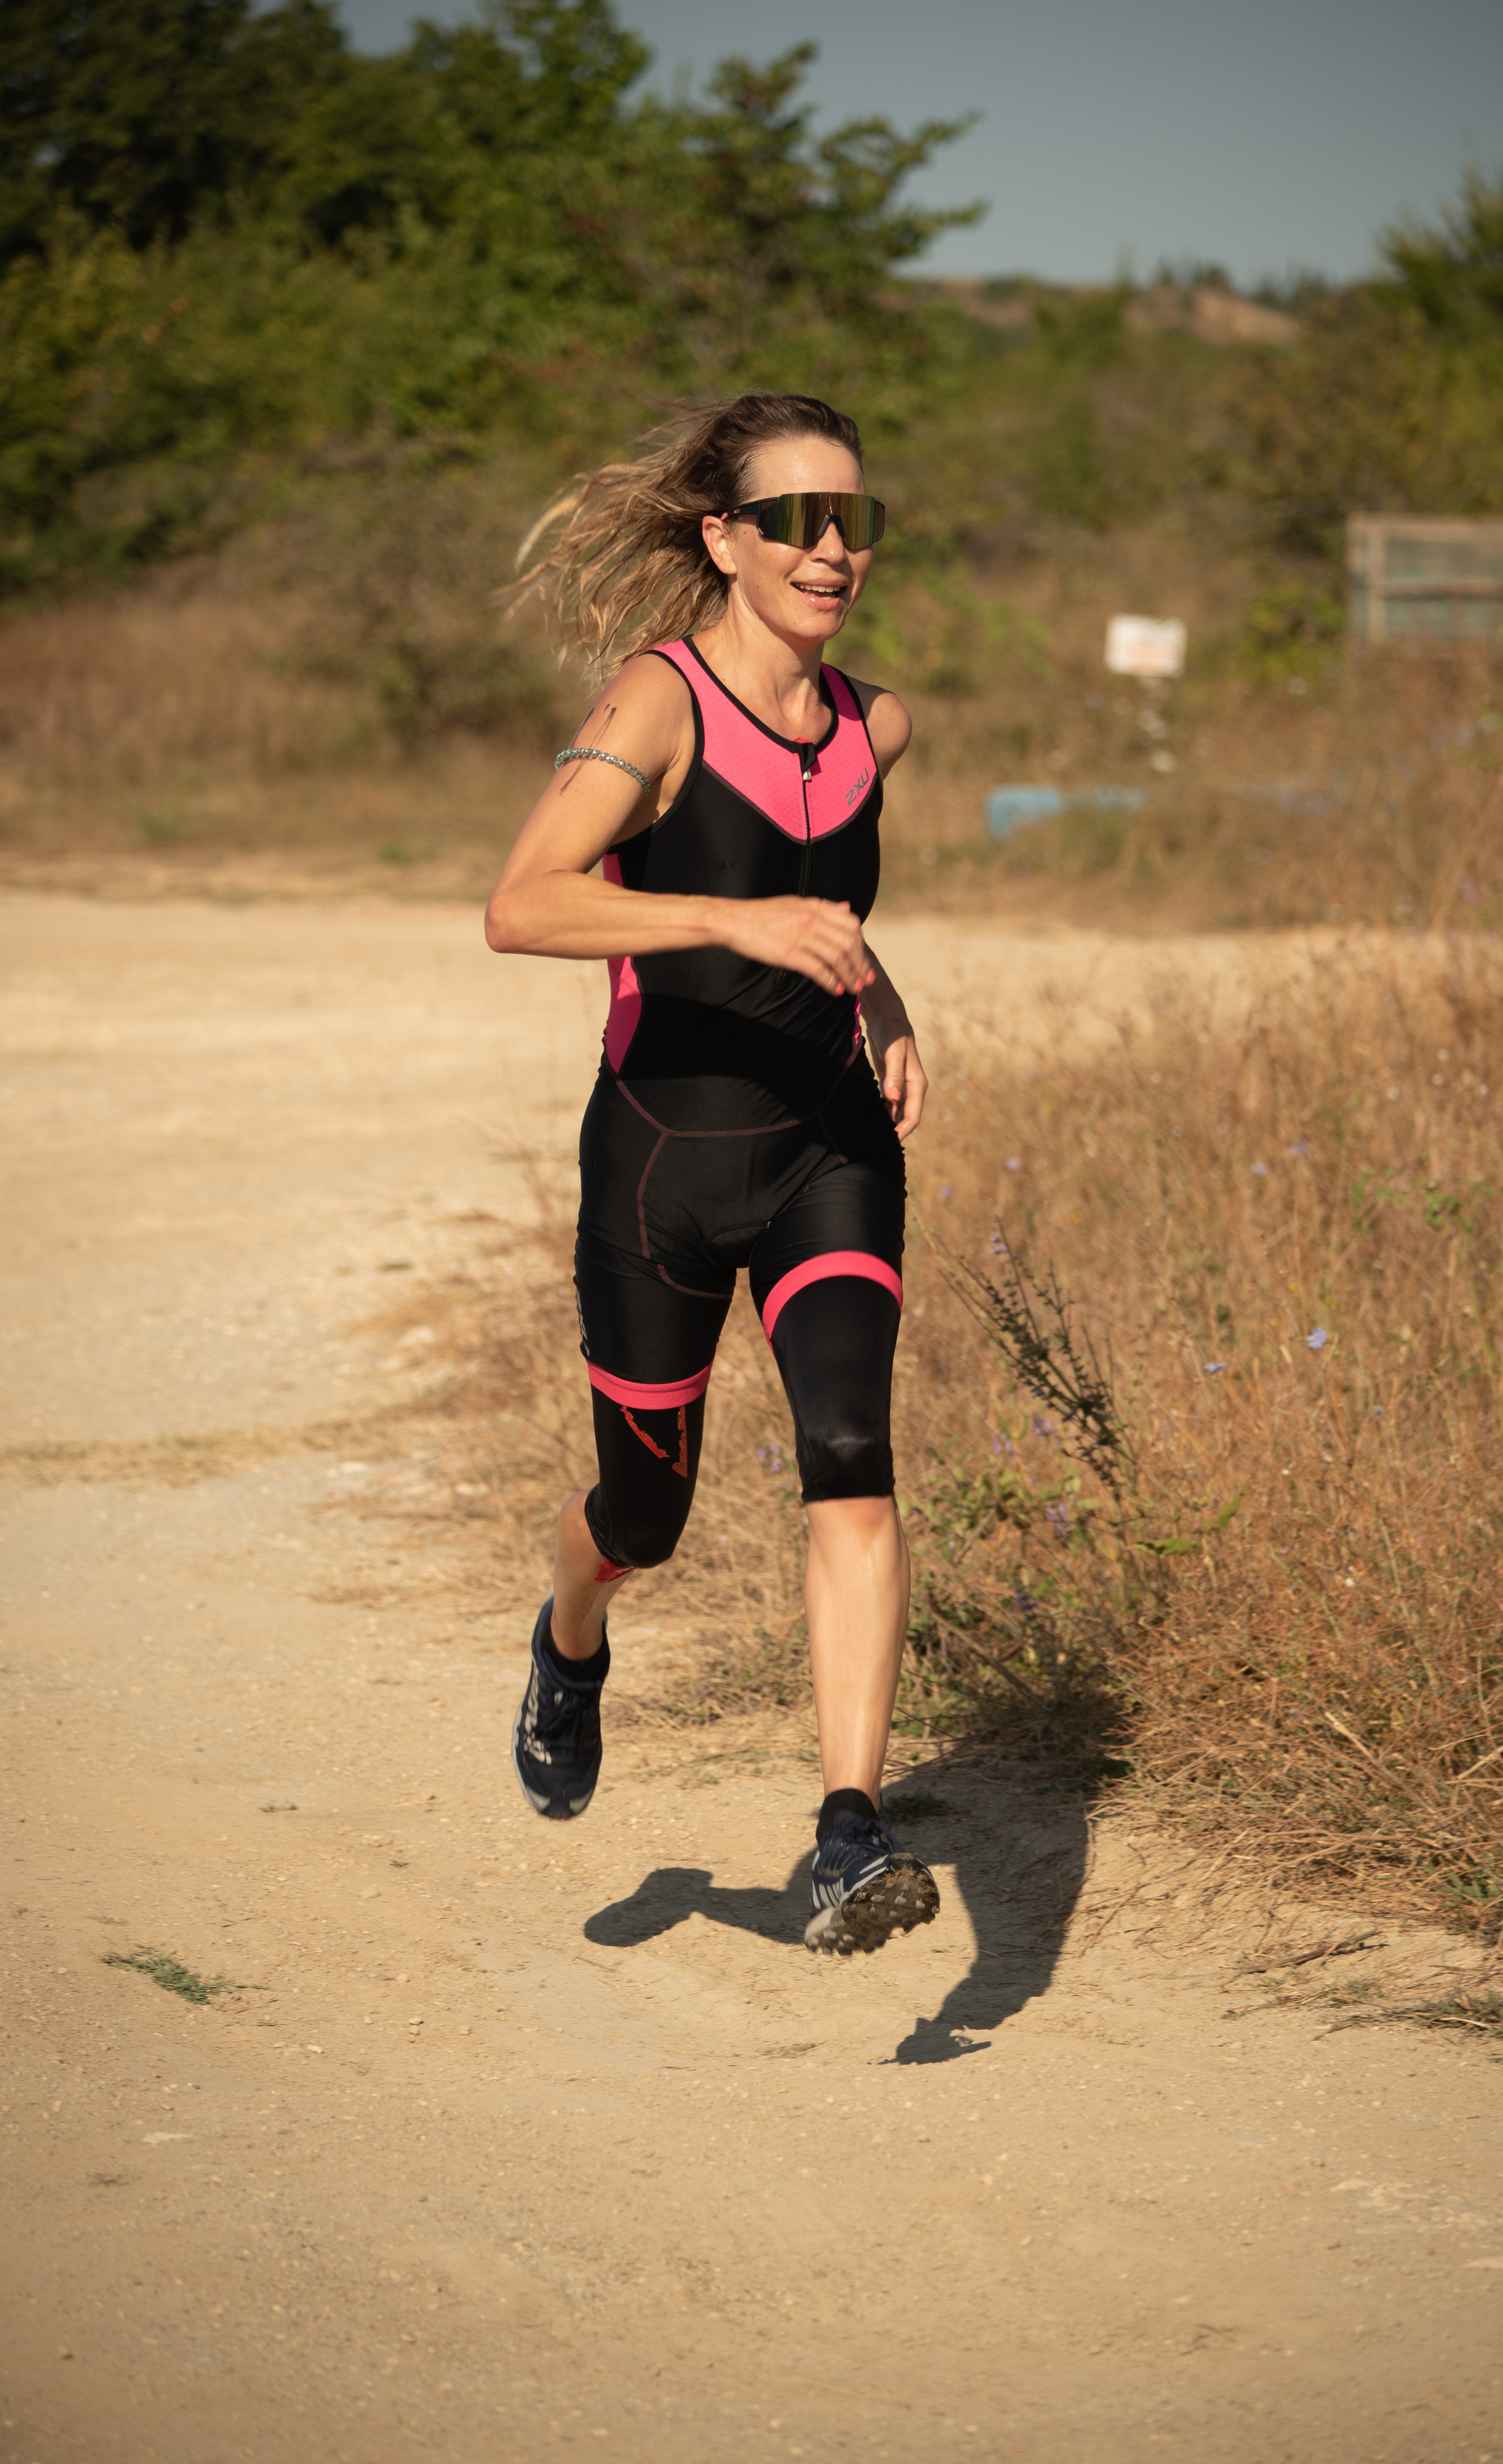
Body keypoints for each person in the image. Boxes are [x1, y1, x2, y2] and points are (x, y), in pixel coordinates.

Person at [485, 392, 938, 1956]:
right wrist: (729, 924)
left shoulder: (877, 727)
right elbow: (523, 904)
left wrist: (875, 994)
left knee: (849, 1453)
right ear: (723, 539)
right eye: (793, 521)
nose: (830, 550)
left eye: (851, 520)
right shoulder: (655, 703)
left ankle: (847, 1835)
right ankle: (570, 1636)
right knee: (643, 1513)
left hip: (828, 1148)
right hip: (661, 1167)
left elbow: (818, 904)